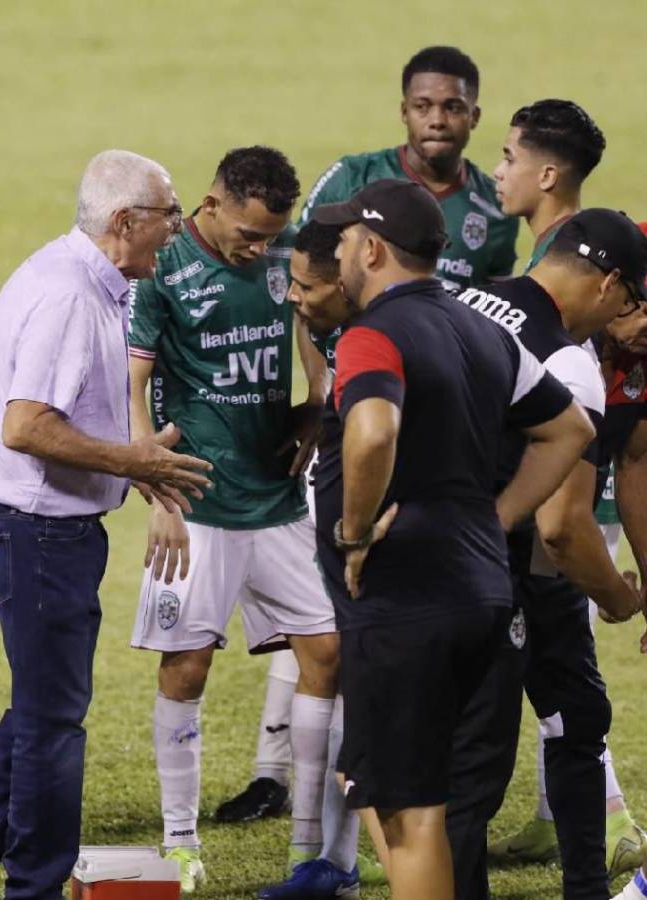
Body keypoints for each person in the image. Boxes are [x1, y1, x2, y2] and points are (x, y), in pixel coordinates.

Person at [0, 150, 213, 900]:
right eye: (169, 214)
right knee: (53, 725)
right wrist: (135, 462)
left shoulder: (88, 279)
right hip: (36, 531)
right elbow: (26, 427)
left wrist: (131, 469)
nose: (178, 227)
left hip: (39, 527)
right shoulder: (72, 297)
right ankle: (33, 887)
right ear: (124, 222)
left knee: (45, 703)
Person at [227, 44, 521, 823]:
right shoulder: (352, 181)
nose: (436, 119)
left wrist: (356, 529)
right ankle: (286, 777)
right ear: (404, 110)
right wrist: (324, 393)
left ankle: (338, 812)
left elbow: (375, 434)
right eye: (424, 105)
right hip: (402, 437)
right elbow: (303, 284)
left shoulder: (486, 213)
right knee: (325, 602)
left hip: (408, 418)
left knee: (349, 602)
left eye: (452, 106)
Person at [309, 178, 594, 900]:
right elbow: (570, 431)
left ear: (371, 249)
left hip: (407, 606)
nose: (338, 253)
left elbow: (373, 431)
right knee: (415, 806)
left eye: (344, 240)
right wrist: (494, 519)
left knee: (406, 821)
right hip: (483, 597)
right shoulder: (485, 330)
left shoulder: (371, 334)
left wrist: (353, 533)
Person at [123, 146, 355, 898]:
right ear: (212, 203)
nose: (261, 250)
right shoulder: (164, 271)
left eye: (270, 237)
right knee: (186, 668)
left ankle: (313, 851)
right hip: (198, 501)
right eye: (250, 236)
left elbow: (312, 331)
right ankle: (181, 843)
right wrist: (154, 488)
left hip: (277, 496)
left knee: (329, 653)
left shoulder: (282, 252)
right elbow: (135, 384)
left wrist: (318, 407)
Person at [446, 211, 647, 900]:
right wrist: (619, 599)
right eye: (632, 301)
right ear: (609, 284)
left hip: (438, 553)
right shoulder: (568, 361)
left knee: (574, 714)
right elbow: (565, 526)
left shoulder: (464, 299)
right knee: (473, 768)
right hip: (490, 566)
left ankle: (588, 888)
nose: (632, 319)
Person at [493, 99, 606, 273]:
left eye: (509, 160)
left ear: (546, 177)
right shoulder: (572, 245)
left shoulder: (559, 267)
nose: (497, 172)